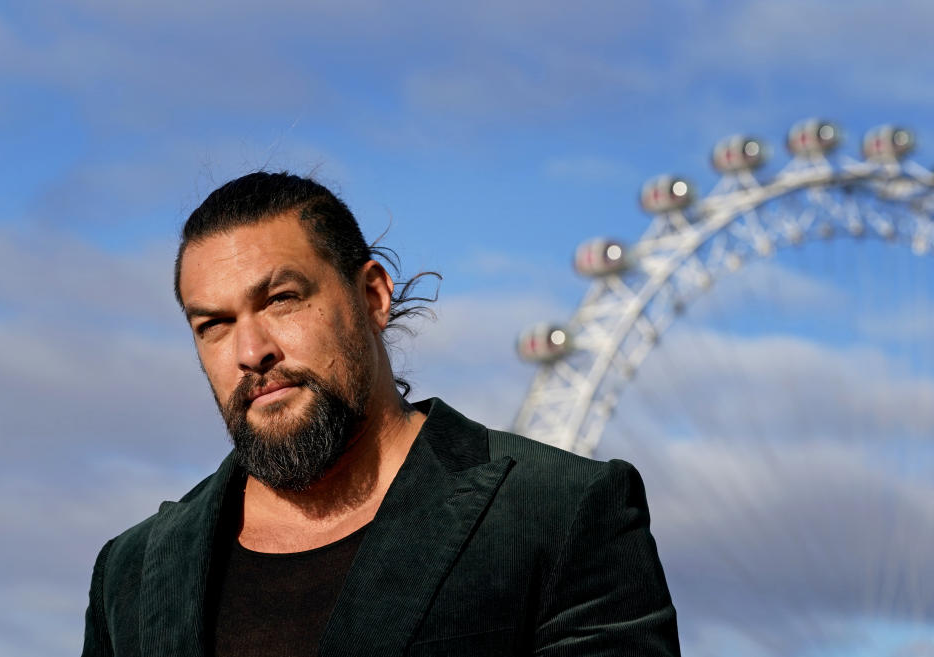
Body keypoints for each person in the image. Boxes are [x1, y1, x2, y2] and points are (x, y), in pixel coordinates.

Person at [81, 172, 680, 657]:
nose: (250, 351)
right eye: (213, 325)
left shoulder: (561, 511)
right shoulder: (131, 573)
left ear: (373, 297)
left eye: (282, 300)